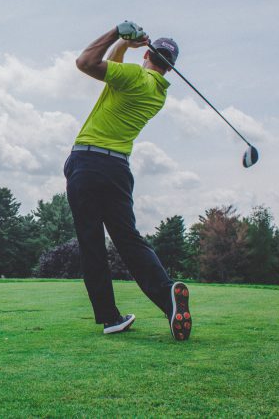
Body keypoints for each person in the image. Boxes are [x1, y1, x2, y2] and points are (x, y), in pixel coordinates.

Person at [64, 21, 192, 341]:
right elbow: (115, 67)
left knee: (92, 243)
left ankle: (109, 317)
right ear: (171, 69)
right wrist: (124, 45)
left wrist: (114, 33)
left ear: (148, 54)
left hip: (88, 163)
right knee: (129, 240)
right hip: (118, 169)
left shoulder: (134, 77)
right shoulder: (156, 91)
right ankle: (167, 300)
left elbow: (86, 63)